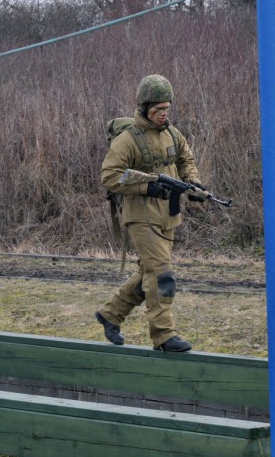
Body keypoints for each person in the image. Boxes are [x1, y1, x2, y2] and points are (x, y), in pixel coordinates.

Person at [95, 74, 207, 353]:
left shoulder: (172, 133)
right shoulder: (128, 139)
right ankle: (164, 336)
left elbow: (186, 158)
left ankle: (110, 314)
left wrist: (193, 183)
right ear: (145, 108)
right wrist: (148, 186)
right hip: (140, 217)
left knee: (149, 274)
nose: (163, 115)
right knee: (161, 275)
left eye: (166, 109)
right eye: (158, 110)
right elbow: (110, 176)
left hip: (167, 216)